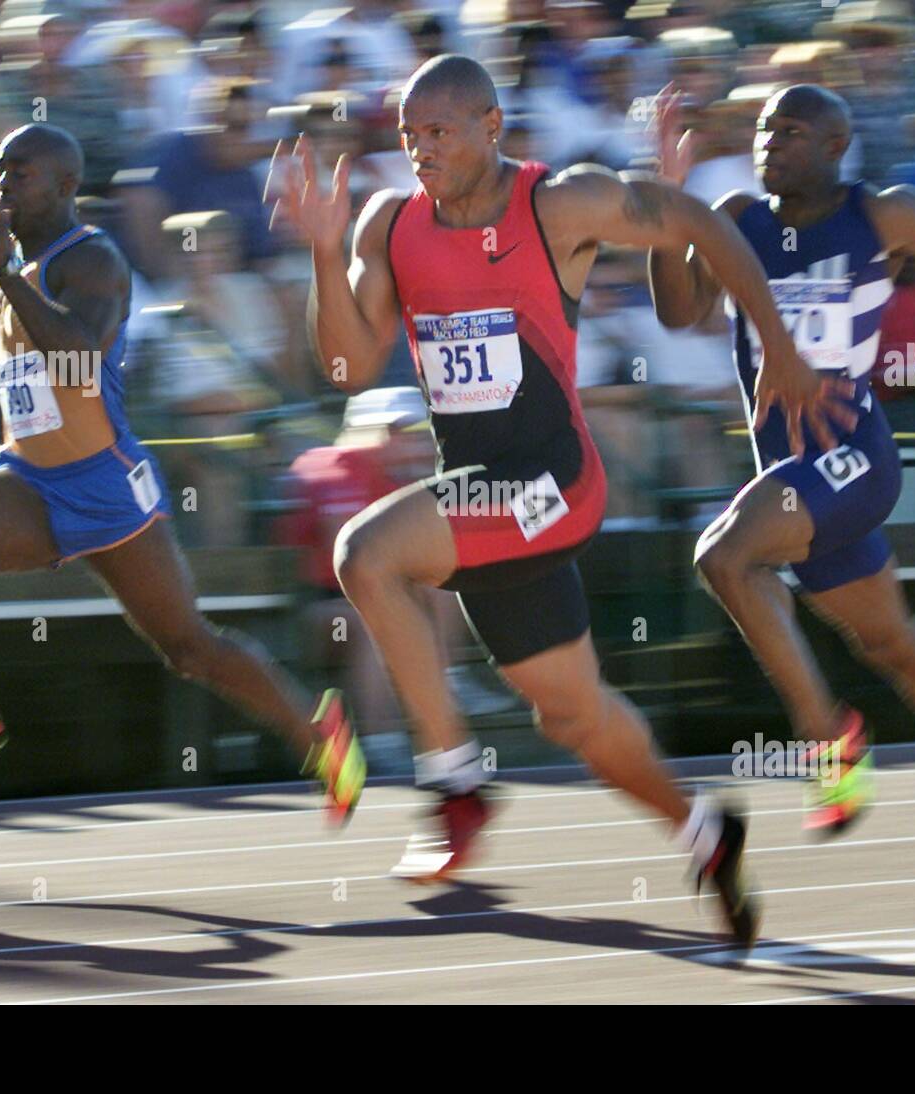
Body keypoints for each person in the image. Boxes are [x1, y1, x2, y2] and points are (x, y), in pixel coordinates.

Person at [270, 52, 849, 946]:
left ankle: (454, 782)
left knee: (367, 554)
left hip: (554, 485)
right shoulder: (388, 225)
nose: (420, 151)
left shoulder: (559, 202)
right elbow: (345, 365)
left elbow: (698, 221)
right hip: (480, 499)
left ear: (492, 127)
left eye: (440, 132)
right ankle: (705, 832)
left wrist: (774, 343)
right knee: (570, 714)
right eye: (408, 136)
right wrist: (321, 246)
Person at [0, 123, 364, 826]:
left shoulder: (95, 261)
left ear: (65, 187)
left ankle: (317, 732)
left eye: (21, 173)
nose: (3, 185)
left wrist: (1, 275)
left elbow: (76, 359)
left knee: (189, 650)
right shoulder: (4, 265)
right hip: (28, 480)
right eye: (0, 170)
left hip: (105, 484)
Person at [647, 83, 915, 873]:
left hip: (854, 458)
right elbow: (677, 310)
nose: (771, 141)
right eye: (765, 129)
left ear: (837, 146)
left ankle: (826, 737)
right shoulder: (736, 218)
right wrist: (668, 208)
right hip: (790, 471)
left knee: (724, 558)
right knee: (891, 642)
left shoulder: (882, 215)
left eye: (792, 131)